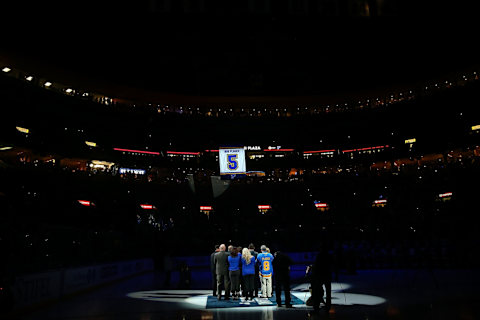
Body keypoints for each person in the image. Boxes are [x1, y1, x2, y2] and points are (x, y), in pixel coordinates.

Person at [309, 243, 332, 315]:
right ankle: (328, 307)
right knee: (328, 293)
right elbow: (332, 265)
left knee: (317, 291)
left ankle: (316, 308)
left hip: (320, 276)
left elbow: (317, 266)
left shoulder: (319, 256)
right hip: (327, 276)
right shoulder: (329, 256)